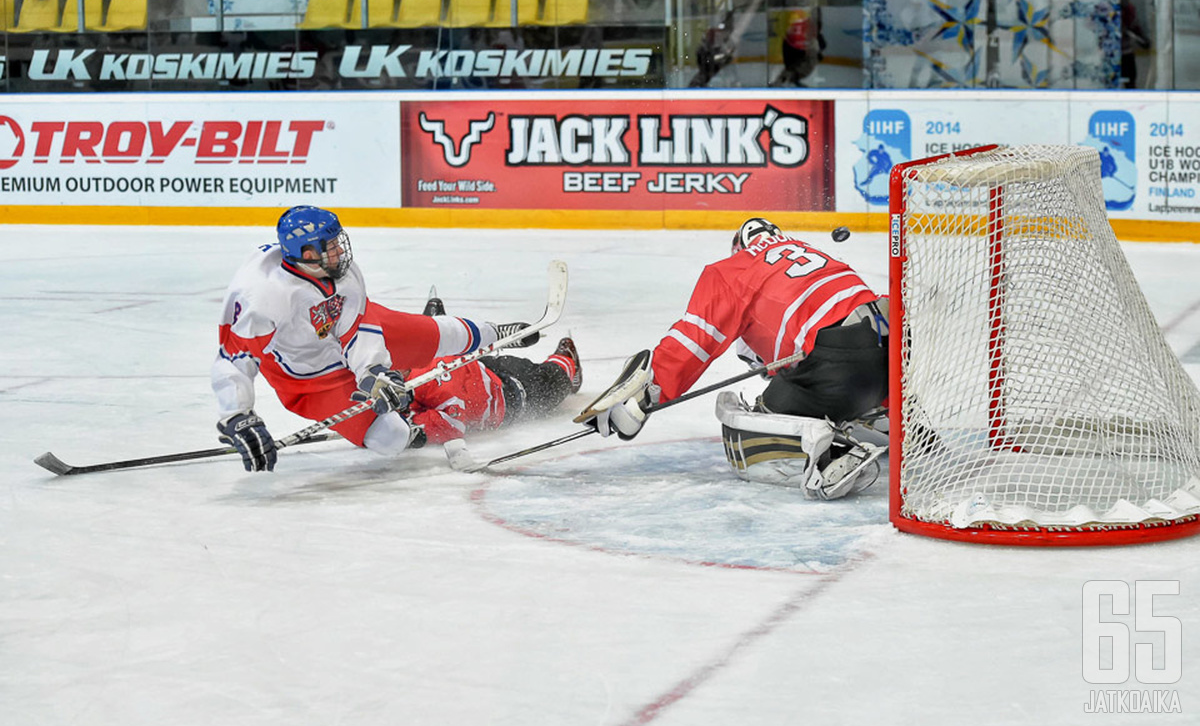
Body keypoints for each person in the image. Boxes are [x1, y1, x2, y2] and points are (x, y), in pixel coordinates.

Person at [211, 206, 539, 472]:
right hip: (309, 378)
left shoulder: (344, 273)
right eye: (330, 246)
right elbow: (233, 361)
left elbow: (358, 331)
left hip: (341, 332)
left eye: (339, 241)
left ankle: (494, 334)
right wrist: (238, 416)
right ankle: (411, 424)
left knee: (431, 333)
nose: (341, 250)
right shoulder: (263, 298)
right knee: (390, 438)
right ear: (307, 253)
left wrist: (374, 373)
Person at [579, 217, 888, 499]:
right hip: (891, 353)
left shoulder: (732, 269)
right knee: (854, 367)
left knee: (755, 427)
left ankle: (823, 454)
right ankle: (893, 422)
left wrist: (645, 396)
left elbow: (692, 342)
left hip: (837, 366)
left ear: (739, 248)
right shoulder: (816, 255)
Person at [405, 295, 582, 444]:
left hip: (511, 391)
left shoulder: (431, 388)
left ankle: (567, 360)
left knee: (553, 380)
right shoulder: (408, 367)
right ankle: (441, 326)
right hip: (483, 373)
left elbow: (451, 426)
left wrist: (409, 430)